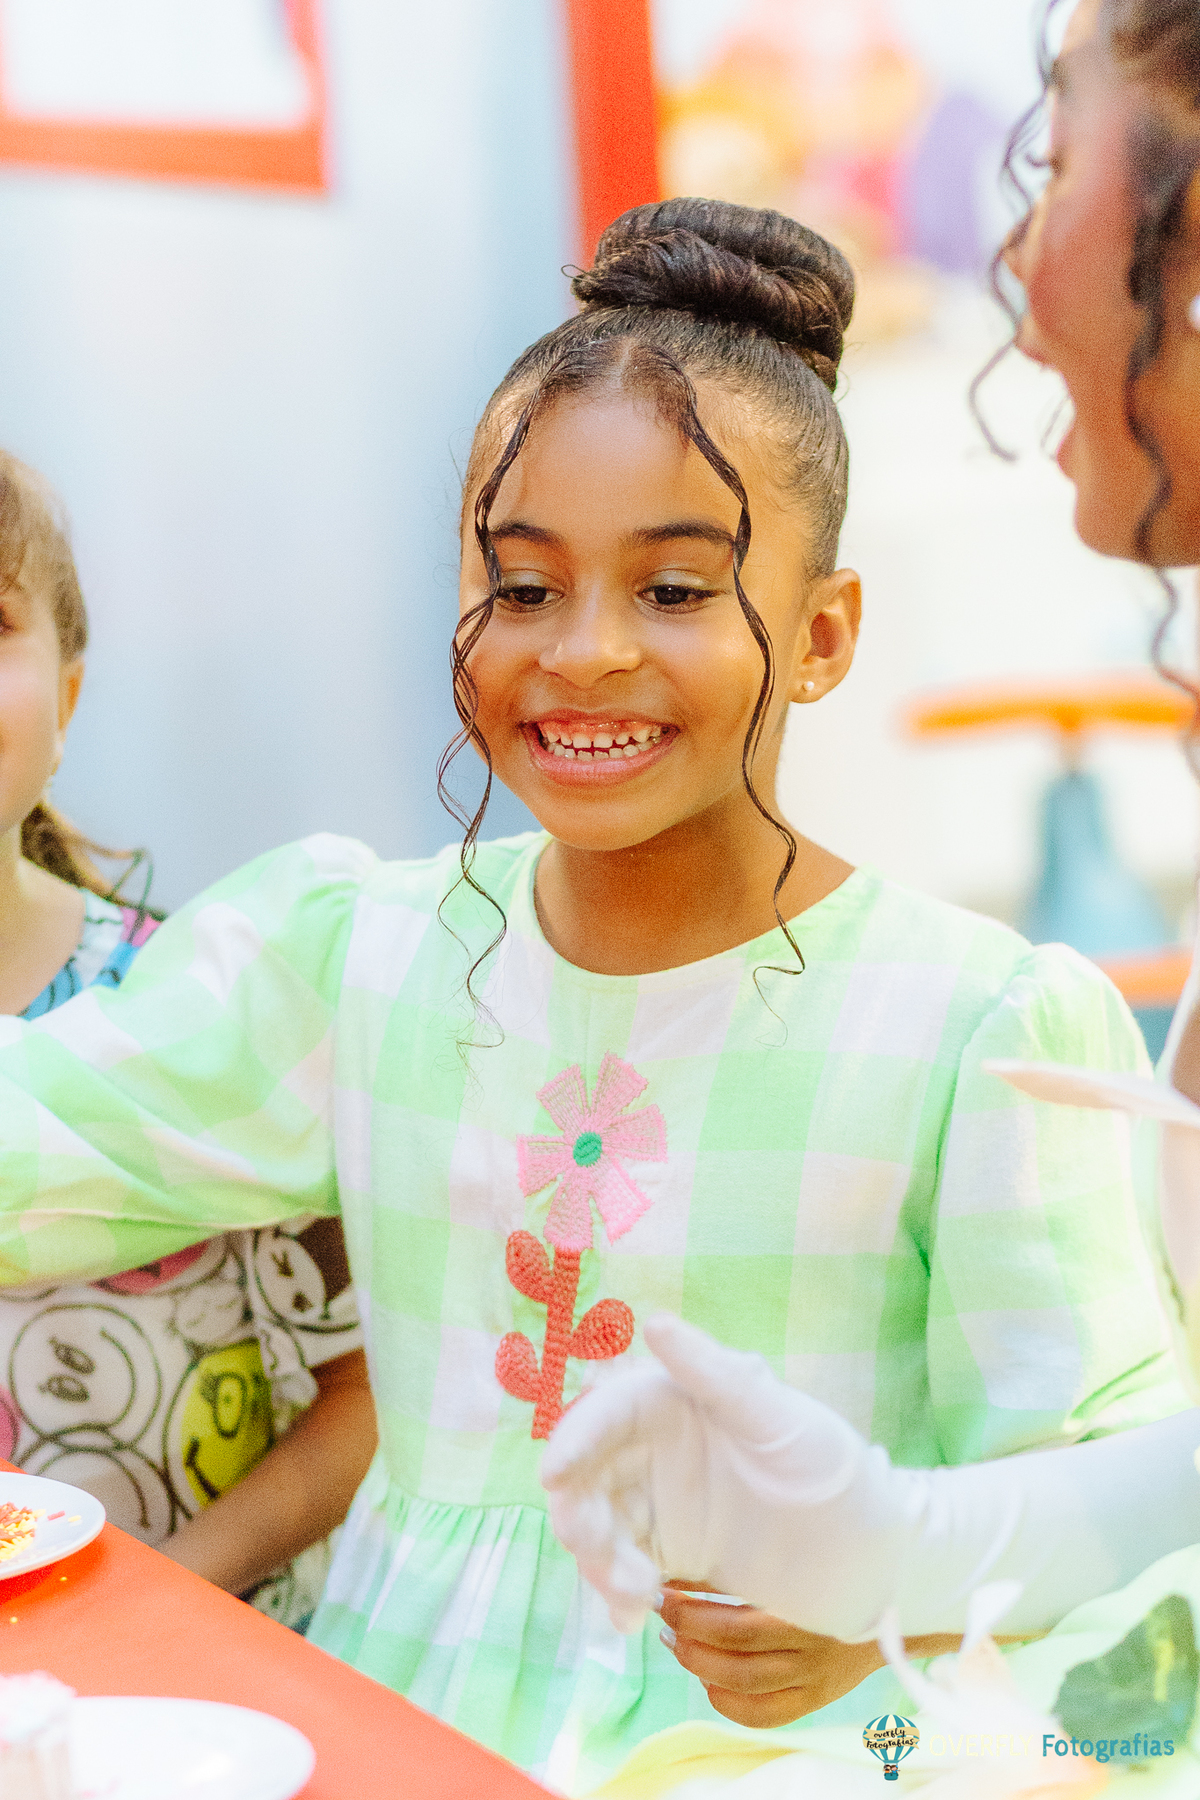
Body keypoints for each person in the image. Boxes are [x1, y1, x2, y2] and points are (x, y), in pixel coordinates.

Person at [0, 198, 1182, 1787]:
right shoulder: (357, 957)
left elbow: (1119, 1549)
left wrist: (887, 1615)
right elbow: (35, 1147)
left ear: (825, 635)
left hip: (797, 1753)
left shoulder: (972, 1030)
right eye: (525, 585)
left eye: (677, 592)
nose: (586, 653)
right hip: (390, 1730)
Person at [542, 0, 1200, 1729]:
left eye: (1051, 167)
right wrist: (895, 1547)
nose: (1002, 252)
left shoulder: (985, 1015)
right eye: (526, 583)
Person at [0, 449, 376, 1629]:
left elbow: (366, 1395)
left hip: (209, 1676)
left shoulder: (209, 1009)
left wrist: (159, 1599)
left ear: (62, 702)